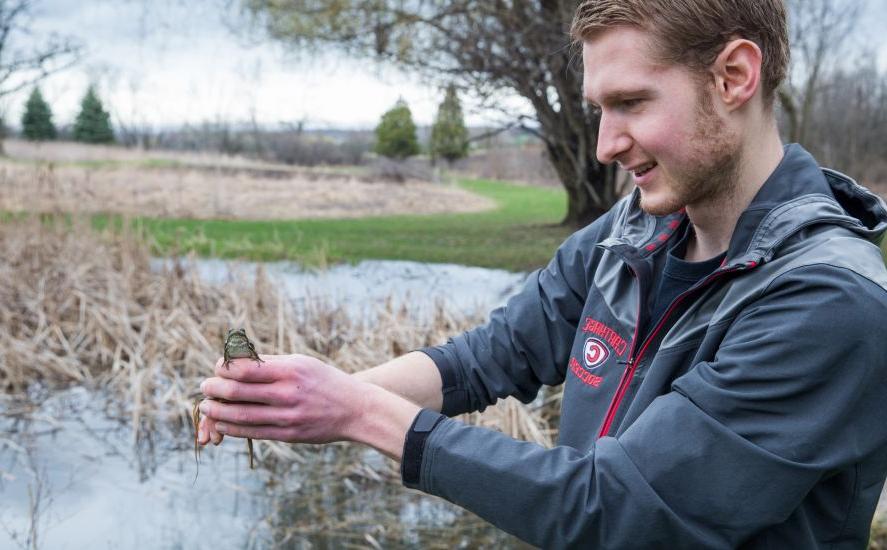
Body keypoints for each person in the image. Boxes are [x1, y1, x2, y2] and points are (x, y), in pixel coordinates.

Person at [197, 0, 887, 547]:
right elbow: (488, 358)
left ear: (734, 76)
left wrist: (357, 413)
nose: (604, 145)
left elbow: (617, 512)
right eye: (598, 110)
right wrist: (293, 398)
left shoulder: (828, 301)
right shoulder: (631, 233)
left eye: (631, 103)